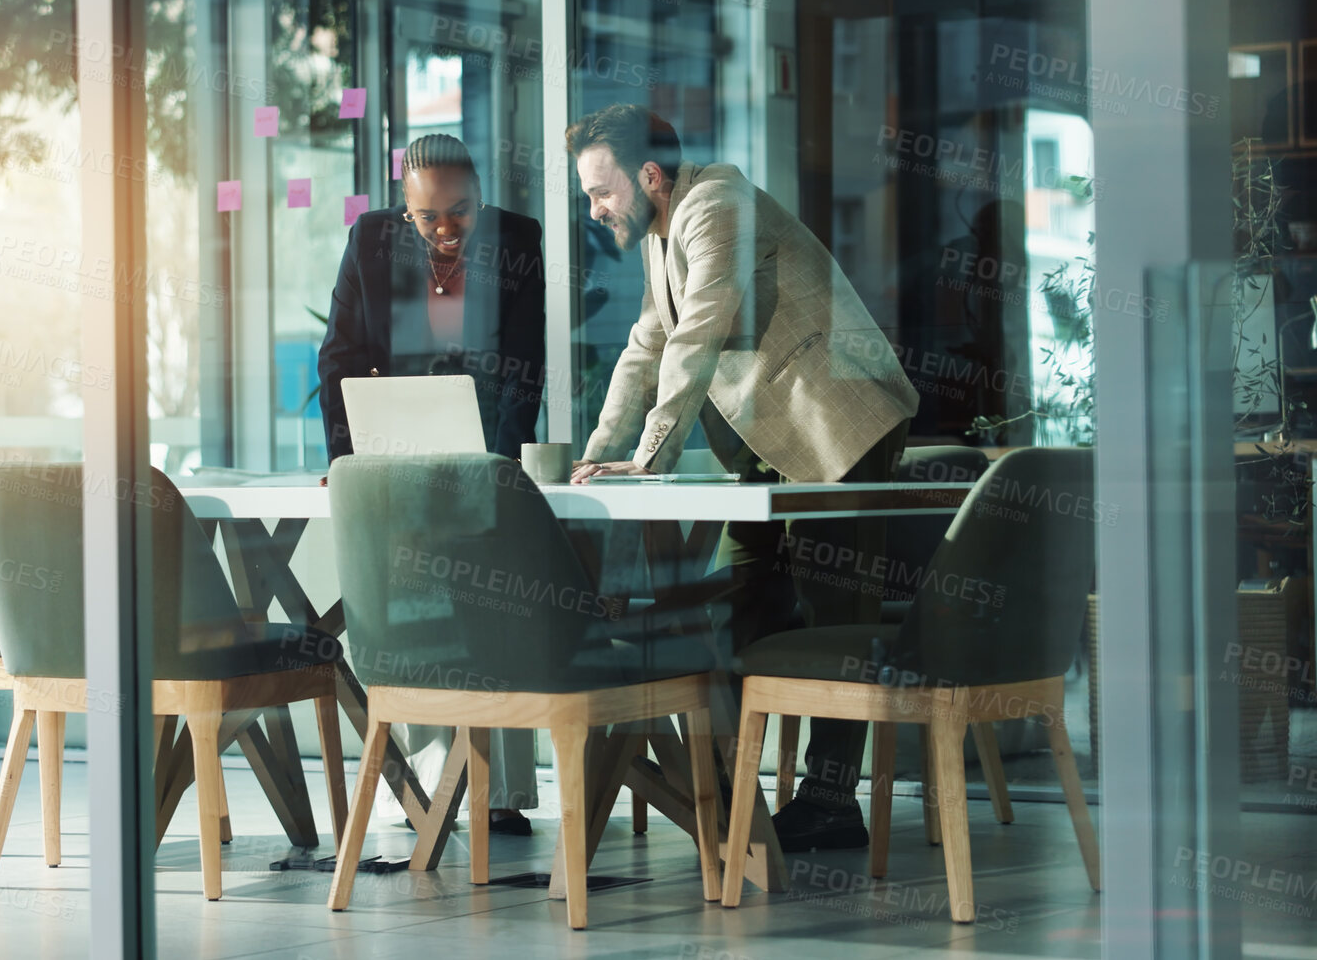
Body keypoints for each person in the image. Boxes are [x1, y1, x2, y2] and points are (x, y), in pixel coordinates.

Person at [566, 104, 919, 851]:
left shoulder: (715, 205)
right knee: (739, 605)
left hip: (841, 427)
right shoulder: (658, 237)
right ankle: (726, 794)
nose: (594, 210)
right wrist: (597, 457)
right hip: (770, 448)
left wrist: (650, 455)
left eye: (601, 192)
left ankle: (829, 804)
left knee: (836, 620)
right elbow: (643, 347)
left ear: (649, 177)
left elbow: (697, 329)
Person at [316, 133, 545, 834]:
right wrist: (347, 460)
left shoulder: (516, 242)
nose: (446, 228)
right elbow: (340, 359)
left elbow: (522, 370)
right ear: (402, 210)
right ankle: (423, 793)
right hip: (393, 460)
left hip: (483, 459)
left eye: (461, 211)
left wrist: (497, 473)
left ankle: (497, 795)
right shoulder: (371, 240)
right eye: (427, 216)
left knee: (489, 609)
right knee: (412, 610)